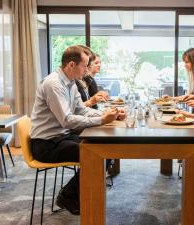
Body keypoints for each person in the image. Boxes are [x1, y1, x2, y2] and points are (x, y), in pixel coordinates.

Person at [30, 45, 124, 215]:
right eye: (85, 65)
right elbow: (67, 120)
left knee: (107, 149)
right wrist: (102, 120)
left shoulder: (70, 82)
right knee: (97, 154)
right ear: (71, 65)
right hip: (46, 144)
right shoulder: (53, 84)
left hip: (62, 137)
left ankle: (76, 195)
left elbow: (81, 109)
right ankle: (68, 196)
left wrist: (108, 114)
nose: (87, 70)